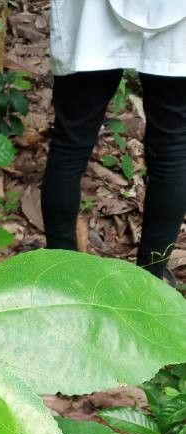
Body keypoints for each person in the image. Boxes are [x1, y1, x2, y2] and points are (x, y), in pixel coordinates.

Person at [41, 0, 186, 281]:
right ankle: (151, 281)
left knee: (70, 143)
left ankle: (60, 278)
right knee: (172, 149)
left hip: (89, 12)